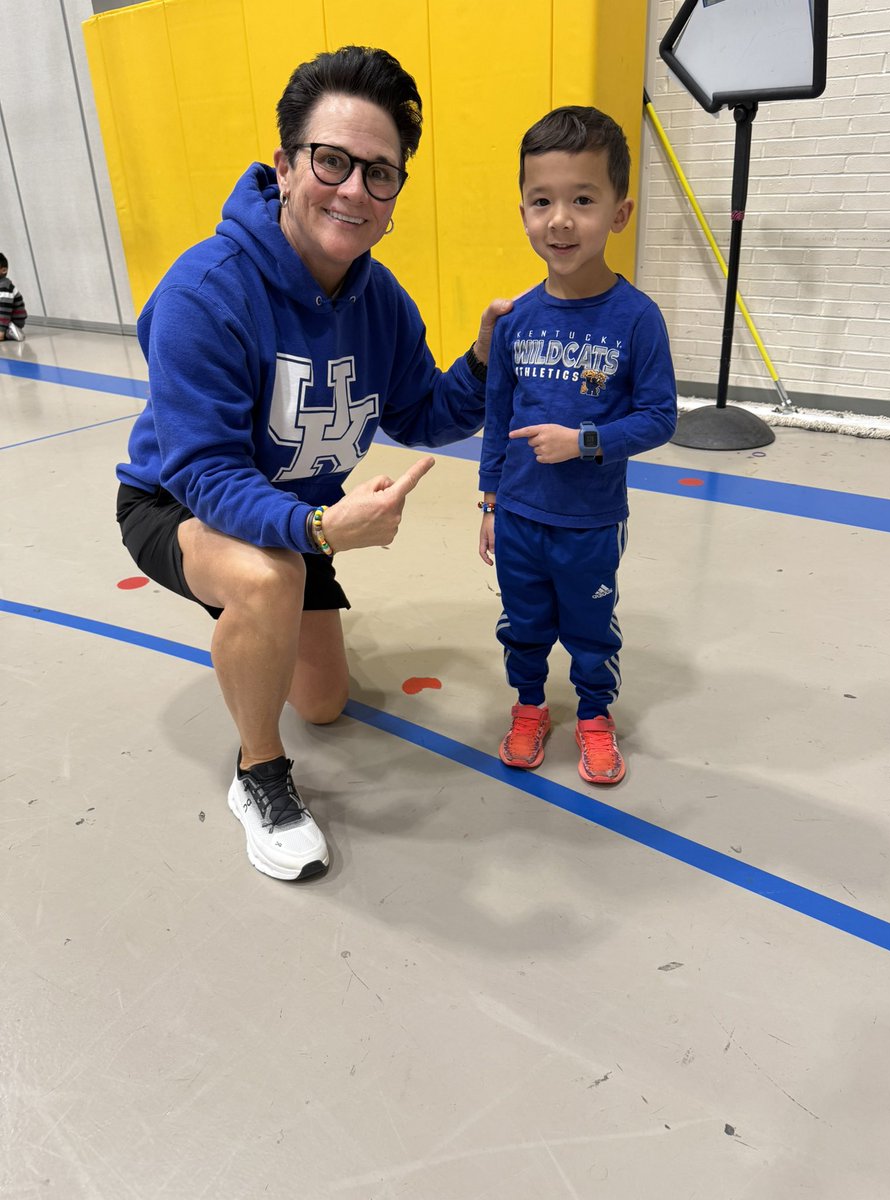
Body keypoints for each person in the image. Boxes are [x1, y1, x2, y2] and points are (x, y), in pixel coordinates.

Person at [116, 45, 510, 881]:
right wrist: (319, 529)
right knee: (267, 581)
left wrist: (480, 364)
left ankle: (261, 613)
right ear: (285, 167)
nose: (353, 190)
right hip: (175, 502)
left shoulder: (379, 298)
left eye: (380, 173)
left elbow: (419, 412)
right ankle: (258, 773)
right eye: (331, 161)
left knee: (324, 702)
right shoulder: (203, 294)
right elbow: (206, 475)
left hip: (297, 517)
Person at [478, 106, 676, 786]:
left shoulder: (637, 319)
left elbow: (659, 418)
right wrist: (490, 499)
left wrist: (585, 440)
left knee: (592, 631)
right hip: (522, 518)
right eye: (542, 201)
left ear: (619, 214)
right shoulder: (514, 320)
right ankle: (530, 706)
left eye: (582, 201)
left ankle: (594, 716)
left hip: (590, 522)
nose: (560, 220)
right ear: (525, 210)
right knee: (523, 624)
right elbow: (497, 412)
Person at [0, 253, 28, 341]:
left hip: (12, 321)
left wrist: (1, 331)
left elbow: (4, 311)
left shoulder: (5, 287)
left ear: (3, 270)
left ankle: (9, 331)